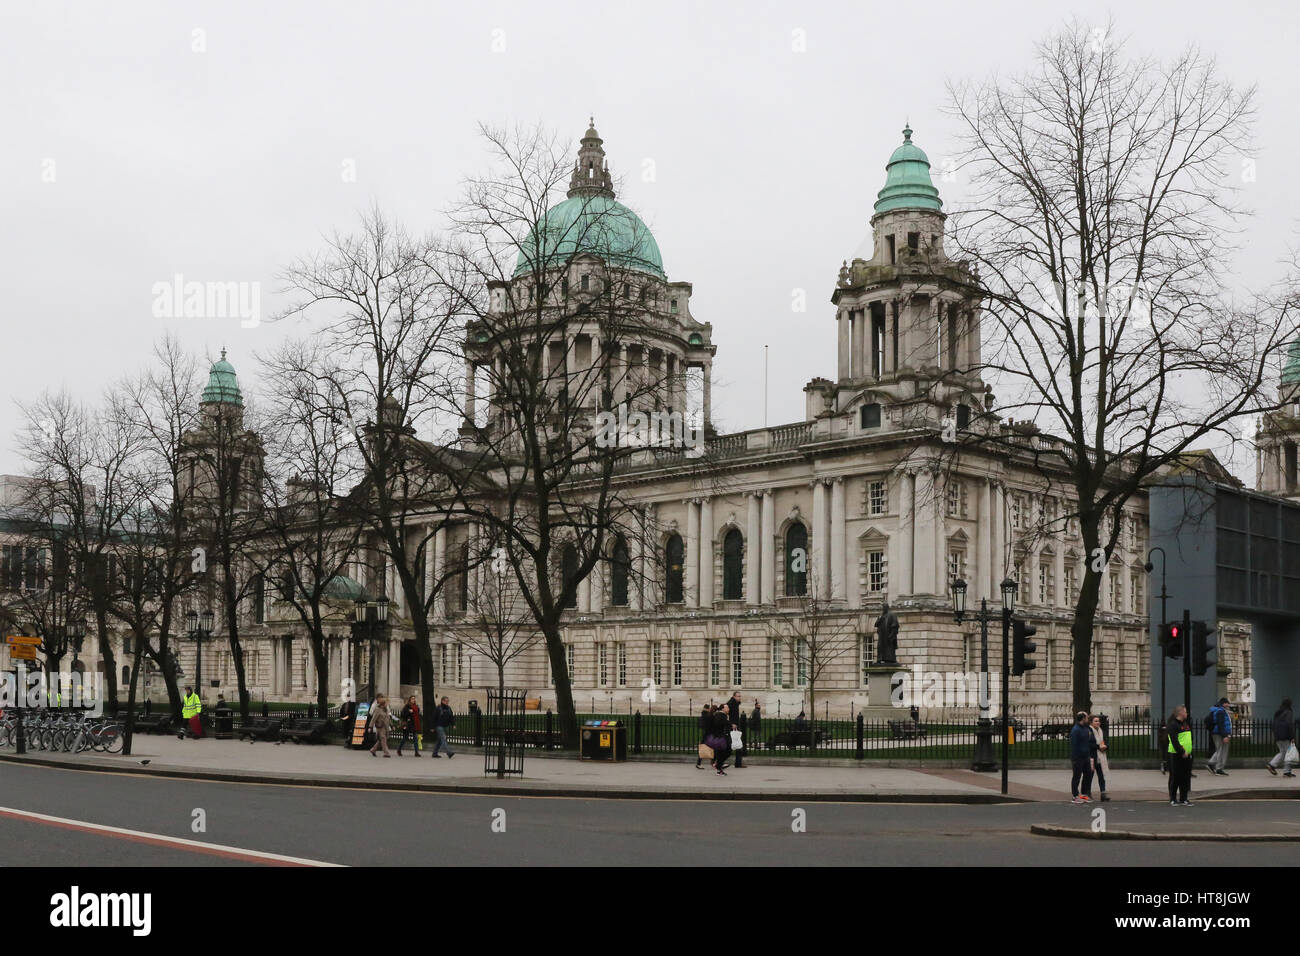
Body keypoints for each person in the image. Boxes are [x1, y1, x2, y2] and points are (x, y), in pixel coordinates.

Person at [1167, 705, 1194, 805]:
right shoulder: (1173, 725)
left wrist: (1189, 751)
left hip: (1187, 755)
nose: (1187, 713)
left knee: (1185, 777)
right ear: (1180, 713)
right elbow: (1174, 741)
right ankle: (1173, 798)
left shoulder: (1186, 724)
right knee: (1175, 777)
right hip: (1176, 755)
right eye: (1185, 712)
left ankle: (1184, 798)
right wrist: (1182, 752)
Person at [1266, 698, 1296, 777]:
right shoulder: (1289, 712)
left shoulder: (1278, 712)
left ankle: (1272, 765)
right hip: (1286, 735)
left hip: (1278, 736)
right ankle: (1287, 772)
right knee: (1288, 754)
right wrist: (1292, 736)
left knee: (1283, 752)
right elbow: (1290, 724)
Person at [1069, 711, 1094, 803]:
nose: (1088, 719)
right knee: (1077, 776)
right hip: (1078, 757)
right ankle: (1075, 795)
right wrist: (1076, 758)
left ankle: (1083, 794)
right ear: (1083, 718)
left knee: (1088, 775)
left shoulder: (1085, 728)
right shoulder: (1076, 730)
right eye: (1087, 717)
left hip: (1086, 756)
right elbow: (1074, 745)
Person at [1206, 698, 1232, 776]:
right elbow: (1221, 724)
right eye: (1227, 703)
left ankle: (1214, 765)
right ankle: (1218, 768)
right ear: (1224, 703)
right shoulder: (1220, 711)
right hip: (1220, 733)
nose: (1228, 705)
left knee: (1220, 750)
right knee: (1222, 751)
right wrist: (1225, 735)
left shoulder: (1217, 710)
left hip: (1217, 733)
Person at [1089, 714, 1110, 801]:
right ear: (1091, 723)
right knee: (1089, 776)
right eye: (1096, 721)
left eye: (1098, 721)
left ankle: (1103, 794)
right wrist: (1099, 747)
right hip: (1092, 757)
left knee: (1102, 776)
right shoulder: (1089, 731)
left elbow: (1105, 741)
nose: (1098, 723)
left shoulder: (1102, 731)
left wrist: (1106, 746)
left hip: (1101, 757)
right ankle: (1088, 793)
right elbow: (1089, 744)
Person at [709, 703, 732, 775]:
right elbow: (720, 724)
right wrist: (730, 724)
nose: (728, 709)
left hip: (719, 737)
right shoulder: (720, 715)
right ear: (722, 709)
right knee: (727, 751)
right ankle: (718, 765)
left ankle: (719, 769)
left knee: (721, 753)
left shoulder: (721, 715)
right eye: (727, 707)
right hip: (721, 737)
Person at [696, 703, 714, 769]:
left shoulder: (703, 715)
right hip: (709, 734)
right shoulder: (709, 716)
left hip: (706, 734)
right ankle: (713, 763)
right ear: (708, 709)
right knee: (712, 748)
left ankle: (699, 763)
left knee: (704, 748)